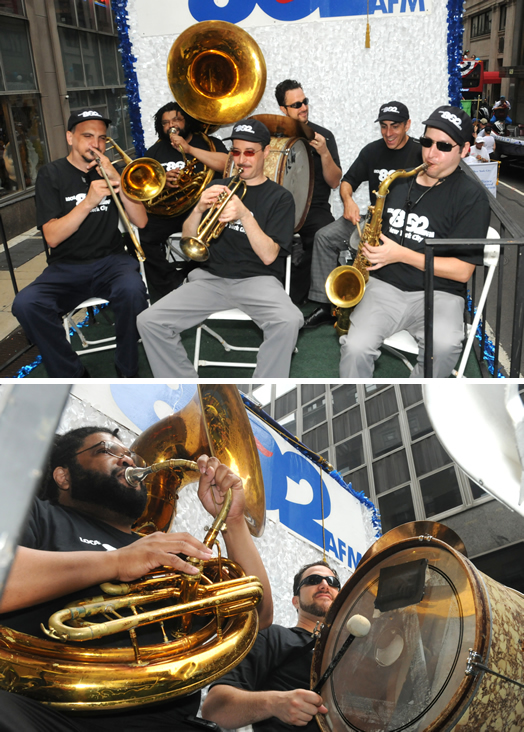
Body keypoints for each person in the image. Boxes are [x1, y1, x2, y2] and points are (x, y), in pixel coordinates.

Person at [0, 425, 273, 731]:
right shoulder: (36, 514)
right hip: (42, 713)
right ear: (63, 476)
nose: (128, 460)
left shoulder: (166, 548)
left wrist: (233, 521)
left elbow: (256, 614)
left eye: (130, 454)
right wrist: (116, 561)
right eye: (106, 451)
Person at [137, 119, 303, 378]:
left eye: (250, 152)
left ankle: (261, 392)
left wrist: (245, 216)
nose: (241, 159)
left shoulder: (280, 197)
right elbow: (188, 239)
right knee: (148, 321)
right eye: (235, 152)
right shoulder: (219, 186)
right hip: (209, 279)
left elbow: (270, 256)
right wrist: (199, 209)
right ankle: (188, 388)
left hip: (257, 280)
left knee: (289, 320)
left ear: (266, 153)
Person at [339, 105, 490, 378]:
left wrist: (401, 254)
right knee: (355, 348)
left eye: (443, 146)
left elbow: (463, 270)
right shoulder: (398, 182)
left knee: (444, 348)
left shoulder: (472, 196)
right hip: (385, 286)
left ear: (464, 149)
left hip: (440, 293)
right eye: (427, 142)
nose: (431, 153)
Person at [11, 109, 148, 378]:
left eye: (101, 138)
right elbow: (52, 236)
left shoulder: (114, 171)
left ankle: (127, 370)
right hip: (66, 267)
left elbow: (141, 221)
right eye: (87, 136)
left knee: (133, 290)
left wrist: (119, 182)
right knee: (25, 304)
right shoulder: (50, 174)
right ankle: (72, 374)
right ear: (70, 137)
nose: (95, 144)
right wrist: (88, 202)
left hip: (112, 262)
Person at [304, 101, 422, 328]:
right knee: (324, 237)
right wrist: (348, 201)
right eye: (384, 126)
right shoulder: (371, 151)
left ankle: (379, 305)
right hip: (373, 220)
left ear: (407, 125)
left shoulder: (420, 153)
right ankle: (326, 305)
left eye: (395, 126)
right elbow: (346, 182)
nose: (388, 133)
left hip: (406, 224)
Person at [202, 560, 341, 731]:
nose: (324, 585)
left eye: (332, 582)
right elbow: (214, 709)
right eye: (313, 580)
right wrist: (275, 703)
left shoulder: (354, 655)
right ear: (295, 601)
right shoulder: (272, 636)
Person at [140, 102, 229, 299]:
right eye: (165, 123)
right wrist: (162, 182)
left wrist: (189, 149)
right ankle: (169, 284)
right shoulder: (155, 152)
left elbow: (227, 165)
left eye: (176, 119)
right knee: (142, 236)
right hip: (167, 211)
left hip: (200, 209)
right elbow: (144, 185)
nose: (171, 125)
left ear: (187, 121)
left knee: (214, 233)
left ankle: (192, 275)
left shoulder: (208, 143)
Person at [275, 80, 342, 304]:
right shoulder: (272, 137)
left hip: (315, 208)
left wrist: (324, 152)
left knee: (326, 235)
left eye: (305, 102)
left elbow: (334, 182)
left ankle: (296, 293)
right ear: (283, 110)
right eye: (296, 105)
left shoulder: (324, 136)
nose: (303, 107)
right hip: (280, 208)